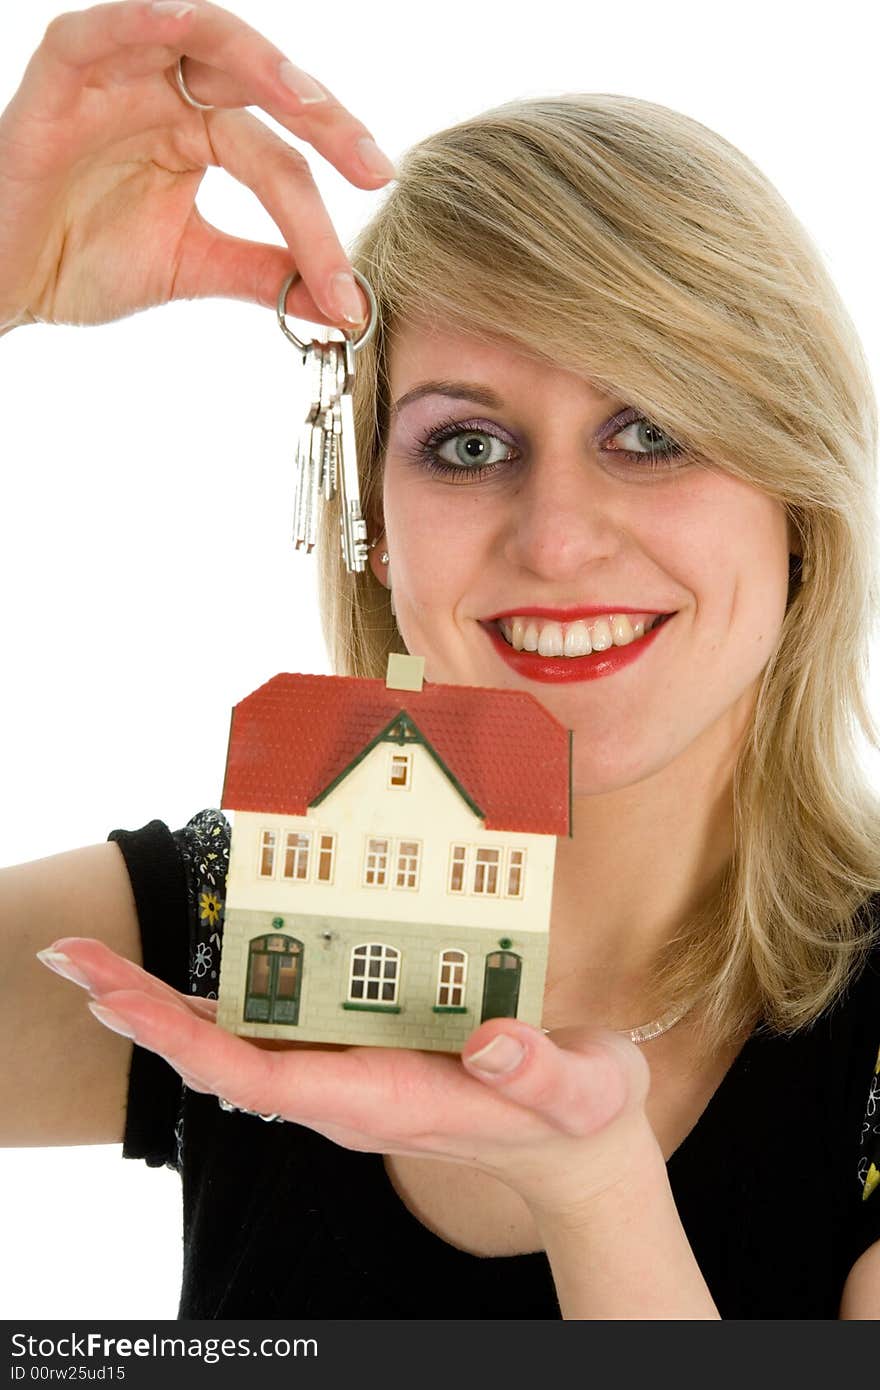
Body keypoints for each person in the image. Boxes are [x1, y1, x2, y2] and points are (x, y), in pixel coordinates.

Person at [1, 0, 879, 1321]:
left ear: (799, 505)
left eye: (650, 430)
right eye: (467, 446)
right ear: (373, 534)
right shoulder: (236, 931)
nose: (562, 539)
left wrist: (596, 1188)